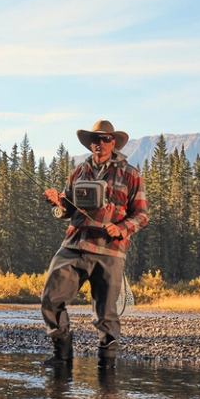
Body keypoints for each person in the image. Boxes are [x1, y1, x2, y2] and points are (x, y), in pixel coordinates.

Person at [40, 119, 148, 373]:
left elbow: (142, 215)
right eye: (95, 139)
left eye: (105, 139)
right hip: (74, 245)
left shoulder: (131, 174)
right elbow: (66, 210)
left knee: (106, 315)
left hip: (110, 251)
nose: (100, 143)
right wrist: (57, 202)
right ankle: (62, 356)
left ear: (113, 142)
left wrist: (121, 229)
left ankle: (106, 367)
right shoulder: (78, 172)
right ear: (90, 143)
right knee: (50, 299)